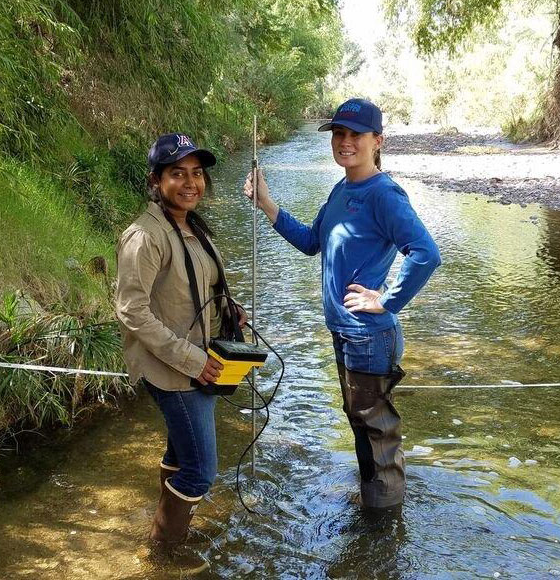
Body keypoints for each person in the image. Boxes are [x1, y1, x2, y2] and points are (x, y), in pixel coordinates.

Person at [244, 98, 441, 509]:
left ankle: (383, 525)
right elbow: (311, 242)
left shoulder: (384, 194)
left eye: (356, 134)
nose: (345, 142)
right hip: (346, 332)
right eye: (339, 134)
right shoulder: (342, 187)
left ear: (377, 141)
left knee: (375, 431)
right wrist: (266, 202)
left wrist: (387, 300)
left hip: (368, 336)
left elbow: (425, 253)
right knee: (362, 425)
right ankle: (375, 505)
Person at [115, 133, 246, 549]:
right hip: (176, 371)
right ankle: (163, 551)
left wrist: (229, 308)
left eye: (197, 173)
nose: (191, 183)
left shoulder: (190, 225)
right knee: (201, 470)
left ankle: (167, 527)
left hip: (199, 362)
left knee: (180, 454)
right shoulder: (145, 235)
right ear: (156, 181)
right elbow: (131, 310)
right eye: (177, 174)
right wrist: (191, 359)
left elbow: (194, 285)